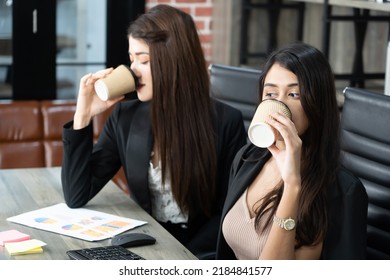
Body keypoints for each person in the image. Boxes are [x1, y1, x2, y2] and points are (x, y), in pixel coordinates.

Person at [61, 4, 247, 257]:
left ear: (174, 60)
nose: (132, 70)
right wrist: (82, 115)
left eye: (144, 60)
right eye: (131, 59)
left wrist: (178, 259)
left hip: (201, 254)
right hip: (146, 247)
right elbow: (76, 194)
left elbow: (230, 213)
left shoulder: (226, 121)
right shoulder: (124, 117)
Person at [216, 42, 368, 260]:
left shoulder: (341, 192)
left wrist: (292, 184)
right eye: (270, 94)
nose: (279, 104)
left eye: (294, 94)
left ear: (317, 102)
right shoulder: (248, 157)